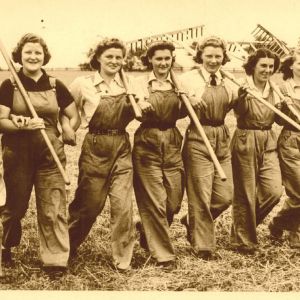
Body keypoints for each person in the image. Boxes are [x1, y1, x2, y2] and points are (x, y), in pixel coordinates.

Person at [0, 33, 80, 276]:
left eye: (37, 52)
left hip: (50, 153)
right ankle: (5, 246)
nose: (33, 56)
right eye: (28, 52)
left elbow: (73, 115)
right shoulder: (9, 85)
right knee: (15, 207)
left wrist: (67, 127)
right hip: (17, 152)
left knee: (53, 205)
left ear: (44, 56)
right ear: (19, 56)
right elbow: (1, 121)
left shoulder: (55, 84)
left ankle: (55, 260)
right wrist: (21, 125)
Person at [68, 38, 137, 272]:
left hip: (121, 144)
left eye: (119, 57)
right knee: (89, 205)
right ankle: (66, 245)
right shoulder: (82, 83)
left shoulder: (129, 84)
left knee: (123, 205)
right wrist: (68, 129)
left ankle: (122, 259)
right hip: (95, 146)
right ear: (98, 57)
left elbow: (143, 106)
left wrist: (143, 103)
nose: (115, 61)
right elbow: (65, 110)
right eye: (109, 56)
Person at [132, 40, 186, 269]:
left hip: (173, 141)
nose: (163, 63)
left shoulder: (178, 83)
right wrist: (141, 102)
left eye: (167, 58)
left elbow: (189, 106)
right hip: (148, 141)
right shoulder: (139, 83)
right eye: (159, 59)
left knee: (172, 201)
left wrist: (190, 98)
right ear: (150, 60)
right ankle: (164, 255)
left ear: (172, 60)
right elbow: (136, 102)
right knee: (155, 200)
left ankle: (146, 229)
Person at [180, 36, 235, 259]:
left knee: (225, 196)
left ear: (224, 58)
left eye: (218, 56)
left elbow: (237, 103)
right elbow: (175, 104)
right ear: (200, 56)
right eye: (209, 56)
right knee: (200, 195)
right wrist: (188, 98)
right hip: (198, 136)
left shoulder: (229, 80)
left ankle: (191, 220)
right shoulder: (186, 80)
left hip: (221, 136)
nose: (213, 60)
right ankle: (203, 247)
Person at [231, 48, 283, 254]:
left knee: (273, 191)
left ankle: (241, 229)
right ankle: (244, 241)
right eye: (263, 65)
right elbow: (239, 112)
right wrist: (242, 97)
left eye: (271, 66)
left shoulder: (275, 89)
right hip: (246, 138)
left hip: (268, 139)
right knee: (245, 192)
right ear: (253, 66)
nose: (267, 70)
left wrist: (288, 107)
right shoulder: (244, 86)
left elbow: (279, 118)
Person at [268, 49, 300, 248]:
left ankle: (279, 223)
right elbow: (277, 120)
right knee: (298, 191)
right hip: (292, 140)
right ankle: (292, 230)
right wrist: (283, 106)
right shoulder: (282, 88)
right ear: (291, 66)